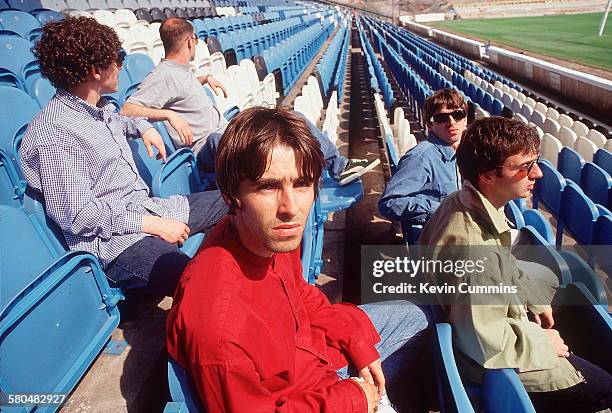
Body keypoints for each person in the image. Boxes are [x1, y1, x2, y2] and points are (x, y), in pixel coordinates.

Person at [166, 107, 433, 413]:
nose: (290, 208)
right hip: (312, 395)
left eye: (302, 183)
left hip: (315, 353)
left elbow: (299, 293)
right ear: (231, 196)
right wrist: (354, 399)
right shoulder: (219, 327)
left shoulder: (268, 235)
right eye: (268, 186)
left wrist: (356, 342)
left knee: (425, 314)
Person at [20, 17, 228, 297]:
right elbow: (80, 216)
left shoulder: (99, 108)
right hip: (119, 242)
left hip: (148, 209)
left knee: (239, 202)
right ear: (95, 70)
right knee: (198, 282)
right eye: (116, 59)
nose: (121, 67)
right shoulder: (53, 134)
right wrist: (153, 224)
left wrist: (142, 127)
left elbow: (121, 120)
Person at [418, 117, 612, 412]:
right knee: (605, 388)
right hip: (492, 362)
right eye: (522, 167)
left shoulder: (462, 201)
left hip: (491, 330)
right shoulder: (473, 249)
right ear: (487, 174)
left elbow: (503, 269)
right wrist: (545, 344)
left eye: (535, 162)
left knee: (572, 306)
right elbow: (484, 342)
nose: (537, 174)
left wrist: (533, 298)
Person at [121, 17, 379, 185]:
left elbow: (177, 88)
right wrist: (169, 115)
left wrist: (202, 78)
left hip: (222, 132)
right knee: (264, 136)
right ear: (191, 41)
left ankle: (337, 166)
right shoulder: (164, 76)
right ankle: (303, 176)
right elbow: (127, 109)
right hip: (206, 147)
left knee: (288, 118)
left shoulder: (177, 72)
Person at [378, 89, 466, 242]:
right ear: (430, 125)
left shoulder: (466, 152)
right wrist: (442, 210)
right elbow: (388, 204)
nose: (452, 122)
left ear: (465, 120)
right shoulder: (421, 157)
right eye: (441, 118)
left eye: (458, 115)